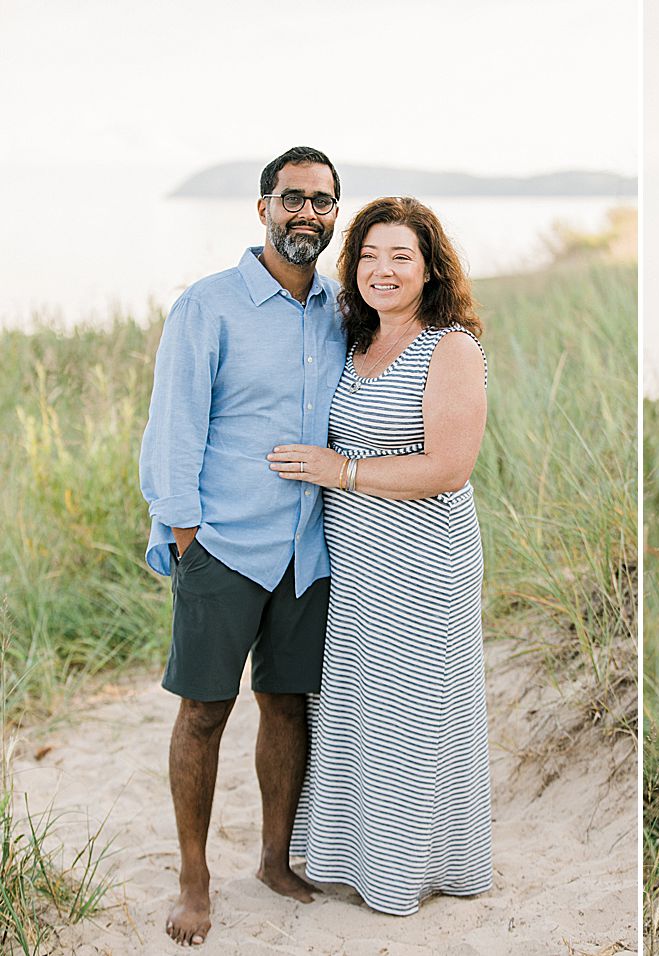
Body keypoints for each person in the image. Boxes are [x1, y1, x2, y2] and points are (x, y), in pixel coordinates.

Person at [138, 146, 346, 946]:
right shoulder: (208, 306)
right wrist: (185, 531)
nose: (305, 213)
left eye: (321, 202)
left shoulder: (338, 307)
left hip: (308, 548)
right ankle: (193, 880)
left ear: (334, 215)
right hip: (223, 543)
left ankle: (274, 859)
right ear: (262, 207)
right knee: (203, 712)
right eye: (291, 198)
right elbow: (173, 425)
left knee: (287, 706)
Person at [266, 196, 491, 915]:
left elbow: (450, 467)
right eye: (367, 255)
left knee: (413, 712)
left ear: (430, 267)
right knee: (359, 708)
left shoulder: (448, 346)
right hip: (357, 563)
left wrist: (343, 472)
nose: (382, 270)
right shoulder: (353, 340)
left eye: (400, 256)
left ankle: (409, 872)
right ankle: (355, 857)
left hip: (425, 561)